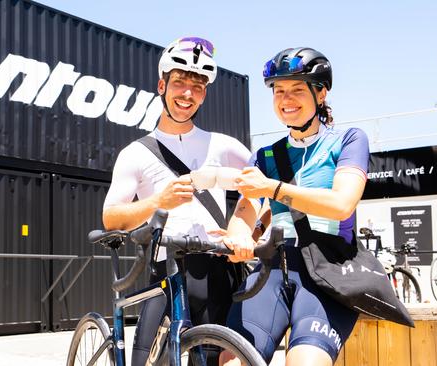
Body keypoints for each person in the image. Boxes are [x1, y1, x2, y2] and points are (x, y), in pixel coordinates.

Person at [102, 36, 252, 365]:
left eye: (197, 86)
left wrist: (245, 230)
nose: (187, 93)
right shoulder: (136, 154)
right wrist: (159, 201)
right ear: (161, 85)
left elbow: (268, 190)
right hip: (165, 272)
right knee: (146, 361)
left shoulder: (225, 146)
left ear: (205, 93)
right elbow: (112, 218)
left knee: (216, 361)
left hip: (216, 269)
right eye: (180, 82)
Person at [220, 47, 370, 366]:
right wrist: (238, 239)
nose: (286, 98)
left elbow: (342, 204)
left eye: (298, 89)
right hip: (272, 270)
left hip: (328, 271)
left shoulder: (348, 141)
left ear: (321, 93)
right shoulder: (264, 157)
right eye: (279, 90)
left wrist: (273, 188)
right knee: (232, 362)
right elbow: (244, 215)